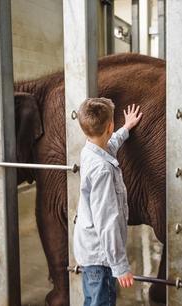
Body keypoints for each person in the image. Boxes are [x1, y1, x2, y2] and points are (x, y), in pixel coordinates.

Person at [73, 97, 143, 306]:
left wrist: (126, 128)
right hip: (101, 259)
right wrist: (120, 266)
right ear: (109, 126)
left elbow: (109, 144)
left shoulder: (90, 151)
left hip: (90, 252)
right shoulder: (102, 170)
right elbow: (107, 222)